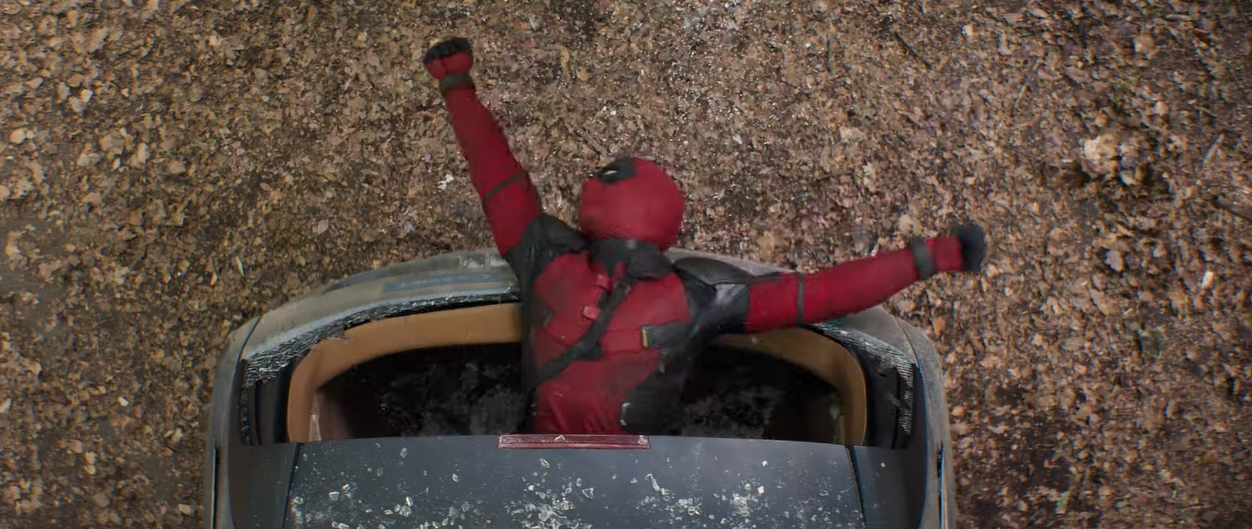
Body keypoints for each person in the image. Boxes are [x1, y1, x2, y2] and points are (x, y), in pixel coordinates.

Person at [421, 38, 987, 436]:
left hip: (531, 455)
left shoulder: (544, 258)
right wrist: (932, 255)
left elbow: (498, 179)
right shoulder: (697, 296)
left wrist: (456, 84)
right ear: (667, 227)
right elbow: (819, 295)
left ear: (589, 213)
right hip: (640, 471)